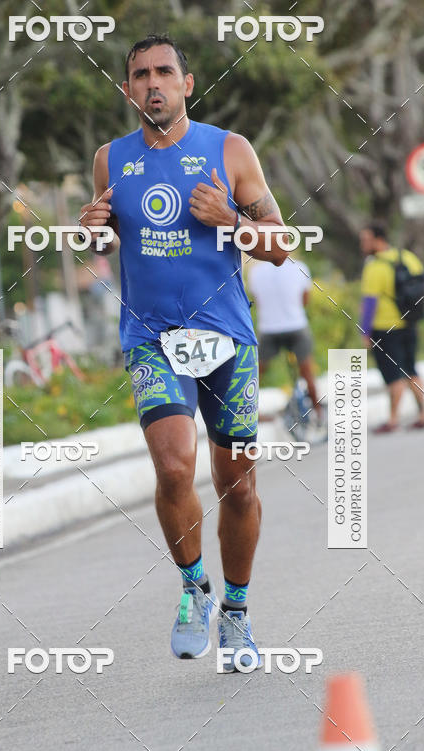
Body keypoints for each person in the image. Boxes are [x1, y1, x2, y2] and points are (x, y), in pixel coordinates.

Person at [79, 33, 289, 672]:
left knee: (239, 485)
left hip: (229, 339)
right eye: (140, 75)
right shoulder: (110, 159)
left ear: (187, 83)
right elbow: (106, 240)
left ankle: (238, 614)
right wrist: (91, 233)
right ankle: (195, 588)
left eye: (164, 72)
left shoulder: (228, 150)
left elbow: (279, 246)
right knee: (174, 469)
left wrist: (230, 217)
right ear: (127, 89)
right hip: (152, 338)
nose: (152, 84)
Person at [359, 223, 424, 433]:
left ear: (378, 240)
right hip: (409, 323)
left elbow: (370, 303)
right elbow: (422, 284)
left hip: (385, 327)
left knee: (392, 376)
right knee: (411, 369)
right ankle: (423, 414)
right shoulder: (407, 257)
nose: (363, 244)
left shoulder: (374, 266)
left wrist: (365, 332)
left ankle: (392, 419)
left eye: (366, 239)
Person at [247, 253, 324, 425]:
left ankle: (250, 414)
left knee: (254, 374)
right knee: (307, 371)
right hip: (296, 326)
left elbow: (258, 302)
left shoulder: (255, 272)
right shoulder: (300, 267)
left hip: (269, 328)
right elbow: (304, 300)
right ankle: (318, 413)